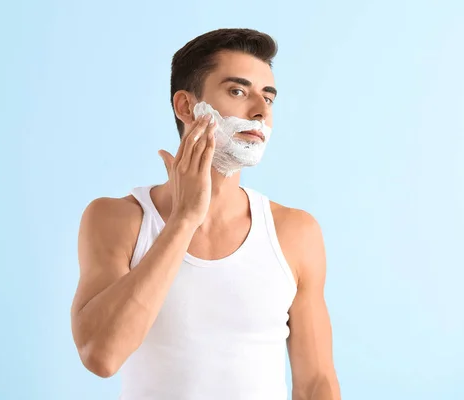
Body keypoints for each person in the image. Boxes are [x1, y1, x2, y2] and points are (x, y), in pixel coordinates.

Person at [71, 28, 341, 400]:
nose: (260, 112)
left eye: (268, 97)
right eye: (238, 91)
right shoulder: (119, 220)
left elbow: (316, 385)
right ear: (185, 106)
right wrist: (183, 220)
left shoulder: (295, 232)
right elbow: (101, 355)